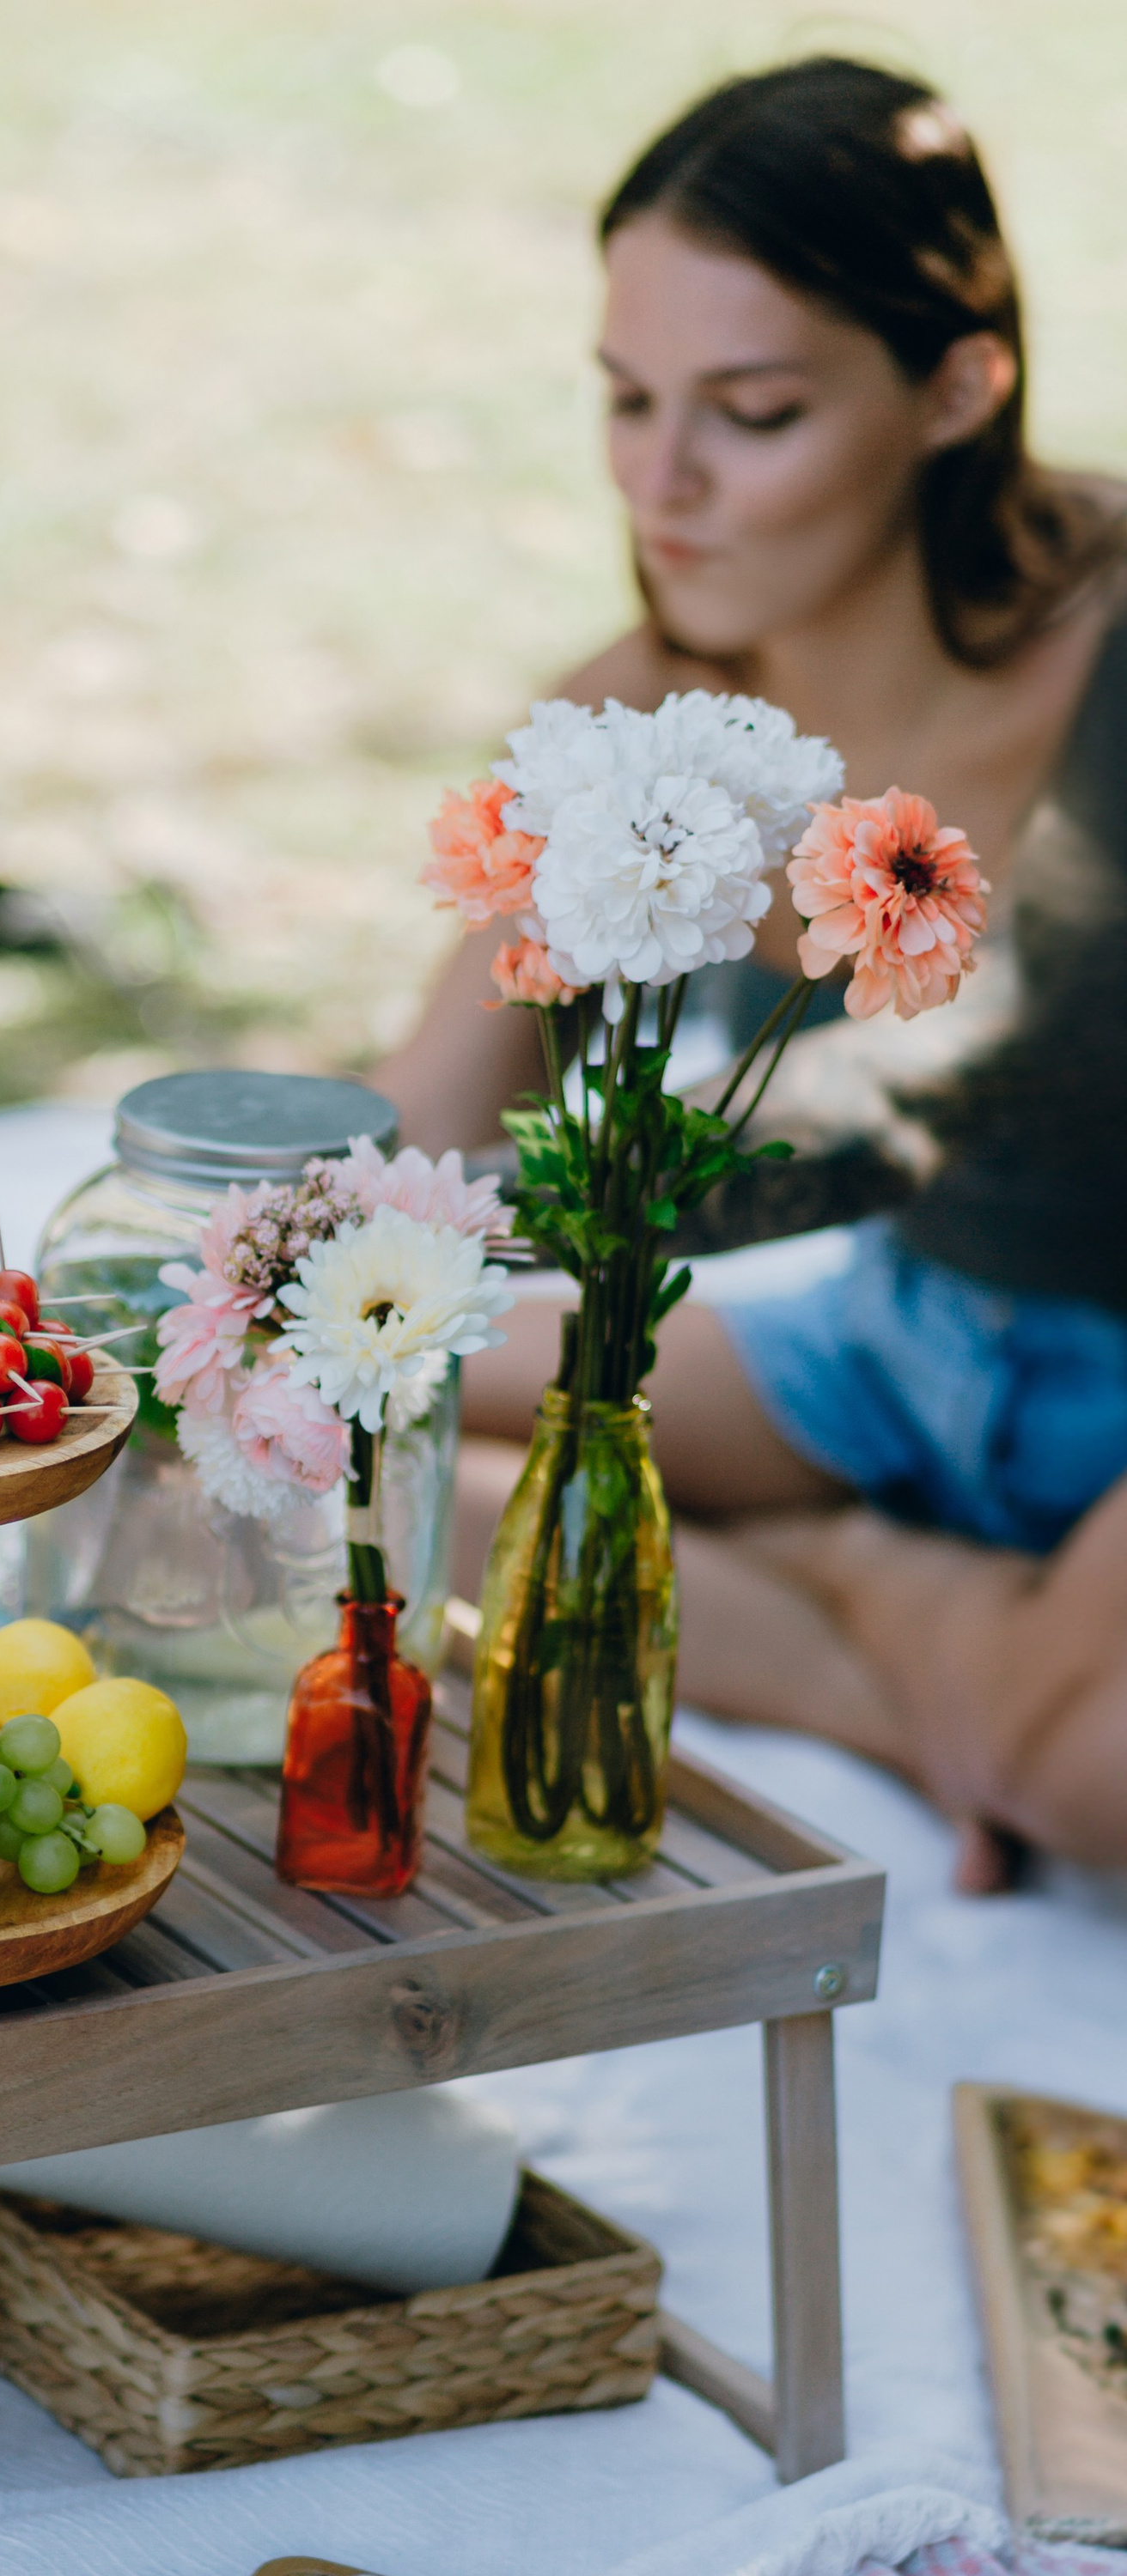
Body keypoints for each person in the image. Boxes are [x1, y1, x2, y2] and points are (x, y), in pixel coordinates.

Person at [381, 56, 1127, 1887]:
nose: (663, 481)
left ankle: (950, 1658)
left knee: (1097, 1782)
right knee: (276, 1412)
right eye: (625, 401)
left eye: (754, 412)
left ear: (957, 386)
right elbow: (401, 1175)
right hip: (898, 1351)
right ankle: (901, 1633)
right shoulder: (634, 708)